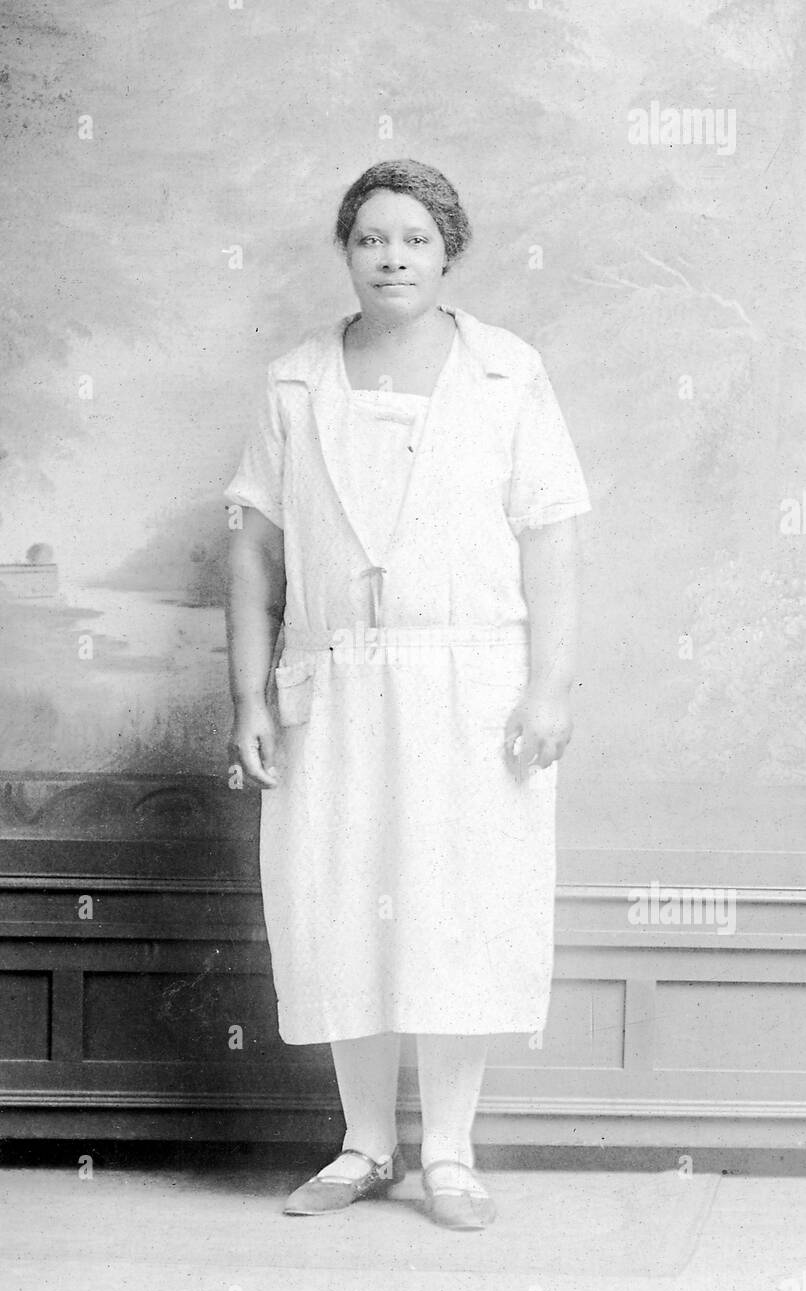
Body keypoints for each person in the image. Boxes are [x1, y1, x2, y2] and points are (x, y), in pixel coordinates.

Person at [225, 159, 591, 1230]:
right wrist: (250, 694)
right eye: (372, 238)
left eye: (415, 239)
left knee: (458, 905)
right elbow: (254, 550)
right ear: (345, 251)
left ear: (448, 252)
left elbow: (553, 537)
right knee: (345, 898)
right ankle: (363, 1146)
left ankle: (451, 1154)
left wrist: (549, 686)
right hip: (334, 680)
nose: (393, 257)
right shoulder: (297, 381)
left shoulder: (505, 372)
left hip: (471, 682)